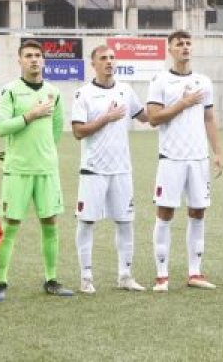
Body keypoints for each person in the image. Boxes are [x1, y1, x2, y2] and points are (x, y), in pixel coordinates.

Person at [0, 39, 72, 300]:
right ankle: (1, 281)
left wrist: (45, 150)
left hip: (46, 170)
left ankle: (51, 279)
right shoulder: (11, 91)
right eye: (28, 56)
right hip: (18, 170)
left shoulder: (54, 92)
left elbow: (58, 128)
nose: (34, 60)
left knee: (50, 223)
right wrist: (30, 115)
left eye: (38, 55)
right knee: (11, 224)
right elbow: (1, 127)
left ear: (44, 60)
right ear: (20, 60)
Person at [147, 30, 223, 291]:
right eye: (179, 44)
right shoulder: (160, 81)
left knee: (198, 211)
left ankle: (195, 273)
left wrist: (218, 152)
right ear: (170, 49)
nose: (185, 47)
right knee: (165, 212)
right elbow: (154, 117)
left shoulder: (204, 81)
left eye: (188, 43)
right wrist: (184, 102)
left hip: (198, 159)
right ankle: (161, 275)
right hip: (171, 158)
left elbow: (209, 118)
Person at [71, 45, 149, 294]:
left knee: (126, 223)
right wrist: (107, 117)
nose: (109, 62)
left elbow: (145, 116)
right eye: (103, 58)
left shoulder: (126, 90)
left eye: (112, 58)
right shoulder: (82, 94)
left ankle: (125, 275)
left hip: (121, 170)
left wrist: (174, 107)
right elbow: (77, 132)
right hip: (93, 170)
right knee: (87, 222)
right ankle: (86, 278)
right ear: (93, 64)